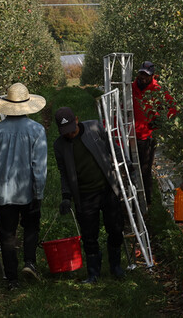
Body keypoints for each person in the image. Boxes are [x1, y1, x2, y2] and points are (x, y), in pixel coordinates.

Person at [0, 82, 48, 290]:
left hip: (2, 192)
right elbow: (39, 166)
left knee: (7, 235)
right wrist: (38, 193)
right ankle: (29, 262)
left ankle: (11, 279)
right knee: (31, 227)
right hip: (27, 189)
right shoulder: (37, 130)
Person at [52, 106, 125, 283]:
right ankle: (93, 272)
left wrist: (125, 164)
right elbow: (64, 173)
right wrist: (66, 196)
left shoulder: (94, 129)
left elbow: (112, 148)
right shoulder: (59, 145)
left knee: (115, 229)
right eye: (64, 132)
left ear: (76, 119)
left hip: (107, 189)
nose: (69, 135)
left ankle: (116, 266)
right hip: (84, 196)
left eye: (70, 130)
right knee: (89, 235)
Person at [131, 61, 175, 207]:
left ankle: (146, 202)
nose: (142, 78)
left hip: (147, 136)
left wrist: (159, 121)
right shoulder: (131, 87)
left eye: (146, 75)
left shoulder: (158, 90)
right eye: (141, 74)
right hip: (130, 135)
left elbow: (172, 108)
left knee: (145, 170)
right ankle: (132, 198)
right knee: (130, 168)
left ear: (152, 76)